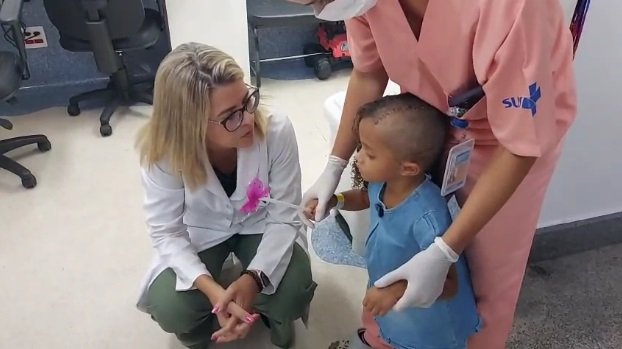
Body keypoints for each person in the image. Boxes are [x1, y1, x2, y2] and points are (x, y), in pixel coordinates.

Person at [289, 0, 577, 348]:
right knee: (394, 250)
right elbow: (369, 70)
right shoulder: (365, 3)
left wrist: (444, 251)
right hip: (425, 120)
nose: (320, 10)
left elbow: (521, 144)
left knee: (484, 279)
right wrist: (334, 166)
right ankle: (379, 339)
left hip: (509, 141)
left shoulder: (509, 8)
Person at [134, 42, 316, 349]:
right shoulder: (164, 154)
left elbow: (285, 216)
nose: (247, 119)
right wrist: (214, 294)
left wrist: (254, 279)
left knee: (292, 290)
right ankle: (199, 332)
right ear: (190, 125)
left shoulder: (275, 129)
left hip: (261, 223)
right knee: (171, 307)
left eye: (247, 101)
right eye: (230, 115)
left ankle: (276, 317)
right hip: (202, 231)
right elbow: (166, 232)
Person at [304, 93, 481, 349]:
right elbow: (366, 197)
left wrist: (394, 291)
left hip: (430, 322)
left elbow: (449, 284)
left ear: (408, 168)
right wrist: (335, 200)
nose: (359, 158)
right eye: (360, 147)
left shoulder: (427, 217)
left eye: (370, 154)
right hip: (393, 294)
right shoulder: (383, 182)